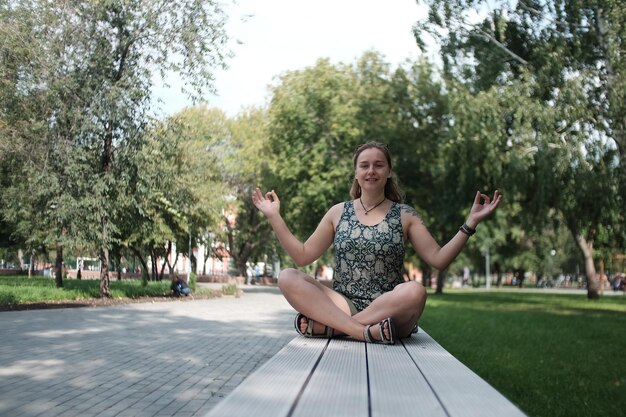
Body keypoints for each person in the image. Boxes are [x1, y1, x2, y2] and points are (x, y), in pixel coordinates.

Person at [252, 141, 501, 344]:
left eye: (378, 165)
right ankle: (362, 332)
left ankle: (333, 328)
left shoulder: (405, 215)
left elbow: (439, 259)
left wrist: (470, 223)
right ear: (356, 172)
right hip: (342, 303)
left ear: (388, 171)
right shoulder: (338, 212)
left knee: (416, 291)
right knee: (287, 276)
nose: (371, 171)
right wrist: (274, 216)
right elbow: (303, 256)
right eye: (365, 165)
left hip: (390, 310)